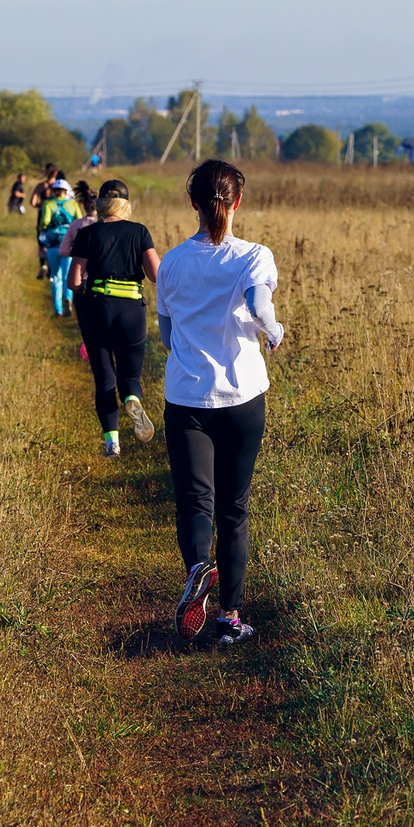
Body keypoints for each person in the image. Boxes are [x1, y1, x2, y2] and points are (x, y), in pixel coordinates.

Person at [155, 160, 283, 647]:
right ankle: (230, 617)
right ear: (238, 202)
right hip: (241, 396)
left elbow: (167, 333)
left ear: (193, 203)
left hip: (186, 396)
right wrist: (271, 331)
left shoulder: (170, 263)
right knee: (233, 507)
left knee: (194, 500)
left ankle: (197, 569)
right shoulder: (254, 256)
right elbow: (258, 303)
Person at [70, 178, 161, 458]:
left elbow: (73, 281)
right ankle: (132, 399)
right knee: (129, 375)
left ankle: (112, 443)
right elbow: (156, 275)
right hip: (132, 309)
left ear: (100, 204)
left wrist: (86, 287)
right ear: (126, 204)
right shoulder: (140, 232)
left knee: (105, 378)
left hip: (99, 307)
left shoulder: (88, 234)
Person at [52, 181, 97, 316]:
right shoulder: (104, 224)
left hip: (81, 276)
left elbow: (63, 251)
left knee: (84, 314)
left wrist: (78, 252)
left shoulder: (76, 225)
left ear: (84, 205)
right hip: (101, 277)